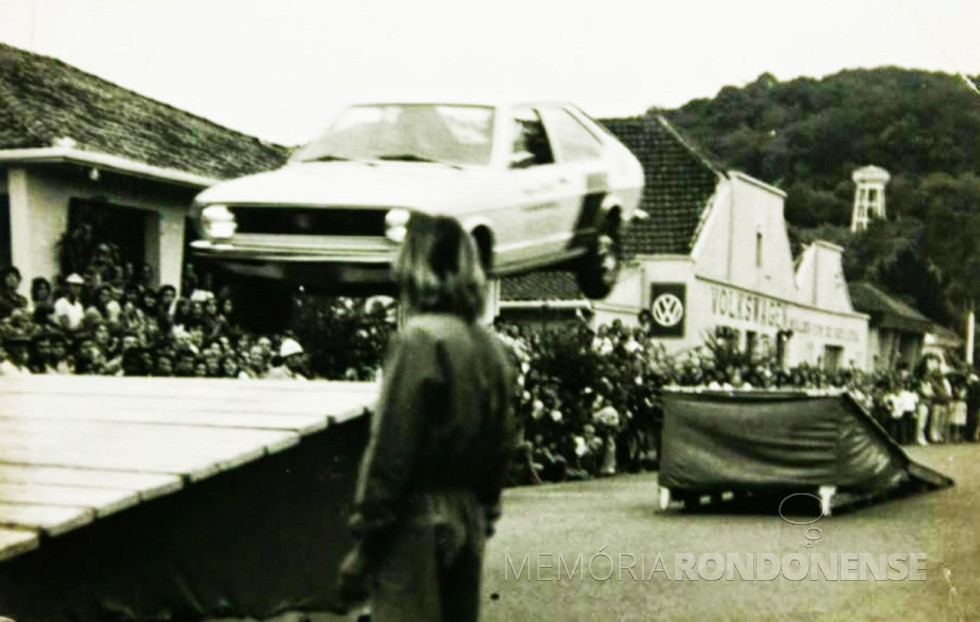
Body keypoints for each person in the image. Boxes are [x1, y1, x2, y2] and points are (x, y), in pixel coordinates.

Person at [339, 213, 516, 621]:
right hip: (467, 513)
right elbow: (503, 442)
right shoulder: (490, 348)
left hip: (416, 519)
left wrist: (367, 541)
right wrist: (483, 512)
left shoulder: (418, 341)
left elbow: (393, 447)